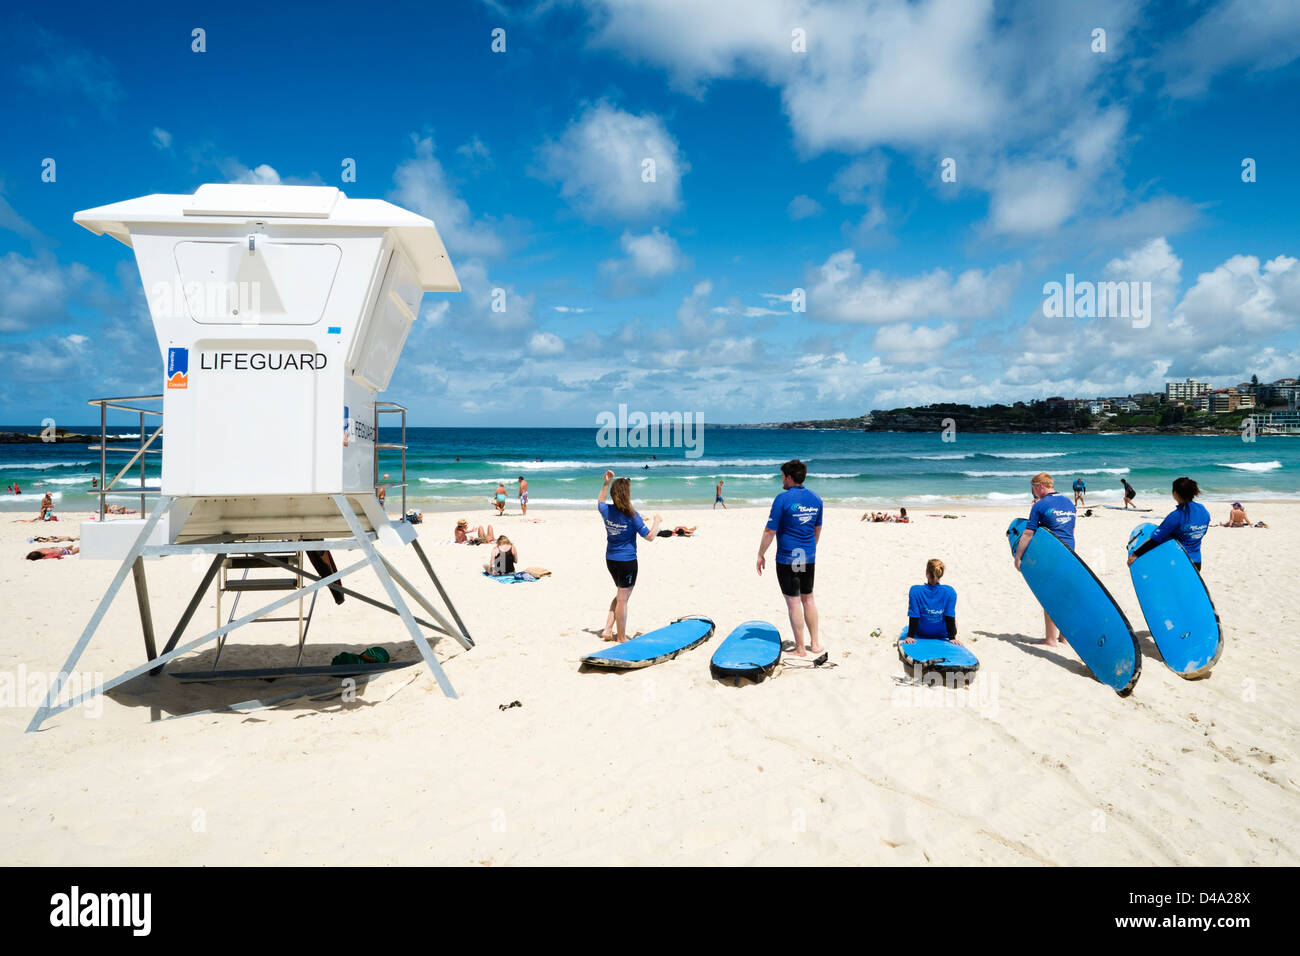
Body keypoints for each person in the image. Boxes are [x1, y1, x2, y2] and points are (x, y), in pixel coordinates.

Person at [757, 459, 824, 657]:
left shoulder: (782, 499)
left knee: (794, 602)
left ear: (789, 477)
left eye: (782, 476)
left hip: (788, 558)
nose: (781, 480)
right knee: (809, 599)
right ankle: (816, 644)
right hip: (807, 556)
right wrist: (811, 547)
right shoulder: (816, 498)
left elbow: (770, 530)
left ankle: (801, 648)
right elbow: (817, 528)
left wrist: (761, 554)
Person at [1012, 472, 1076, 648]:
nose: (1033, 493)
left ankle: (1050, 639)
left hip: (1052, 555)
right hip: (1070, 553)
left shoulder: (1040, 505)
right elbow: (1067, 529)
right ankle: (1064, 637)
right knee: (1063, 595)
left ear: (1040, 486)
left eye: (1033, 489)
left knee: (1049, 596)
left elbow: (1028, 533)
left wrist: (1018, 556)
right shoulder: (1069, 502)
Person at [597, 470, 662, 642]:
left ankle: (607, 629)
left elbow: (600, 501)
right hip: (627, 561)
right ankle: (621, 637)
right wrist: (657, 521)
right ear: (627, 495)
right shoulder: (632, 516)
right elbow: (649, 537)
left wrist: (606, 482)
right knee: (623, 599)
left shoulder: (606, 510)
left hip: (610, 559)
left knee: (620, 595)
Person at [1128, 477, 1210, 572]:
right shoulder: (1203, 510)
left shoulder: (1176, 515)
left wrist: (1135, 554)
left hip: (1179, 561)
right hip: (1196, 562)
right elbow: (1203, 532)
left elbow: (1155, 539)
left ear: (1175, 493)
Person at [901, 558, 959, 644]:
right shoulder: (950, 592)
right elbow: (949, 616)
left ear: (926, 573)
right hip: (943, 634)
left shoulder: (915, 591)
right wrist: (952, 637)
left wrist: (910, 636)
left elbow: (914, 616)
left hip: (922, 633)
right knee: (955, 621)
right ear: (941, 574)